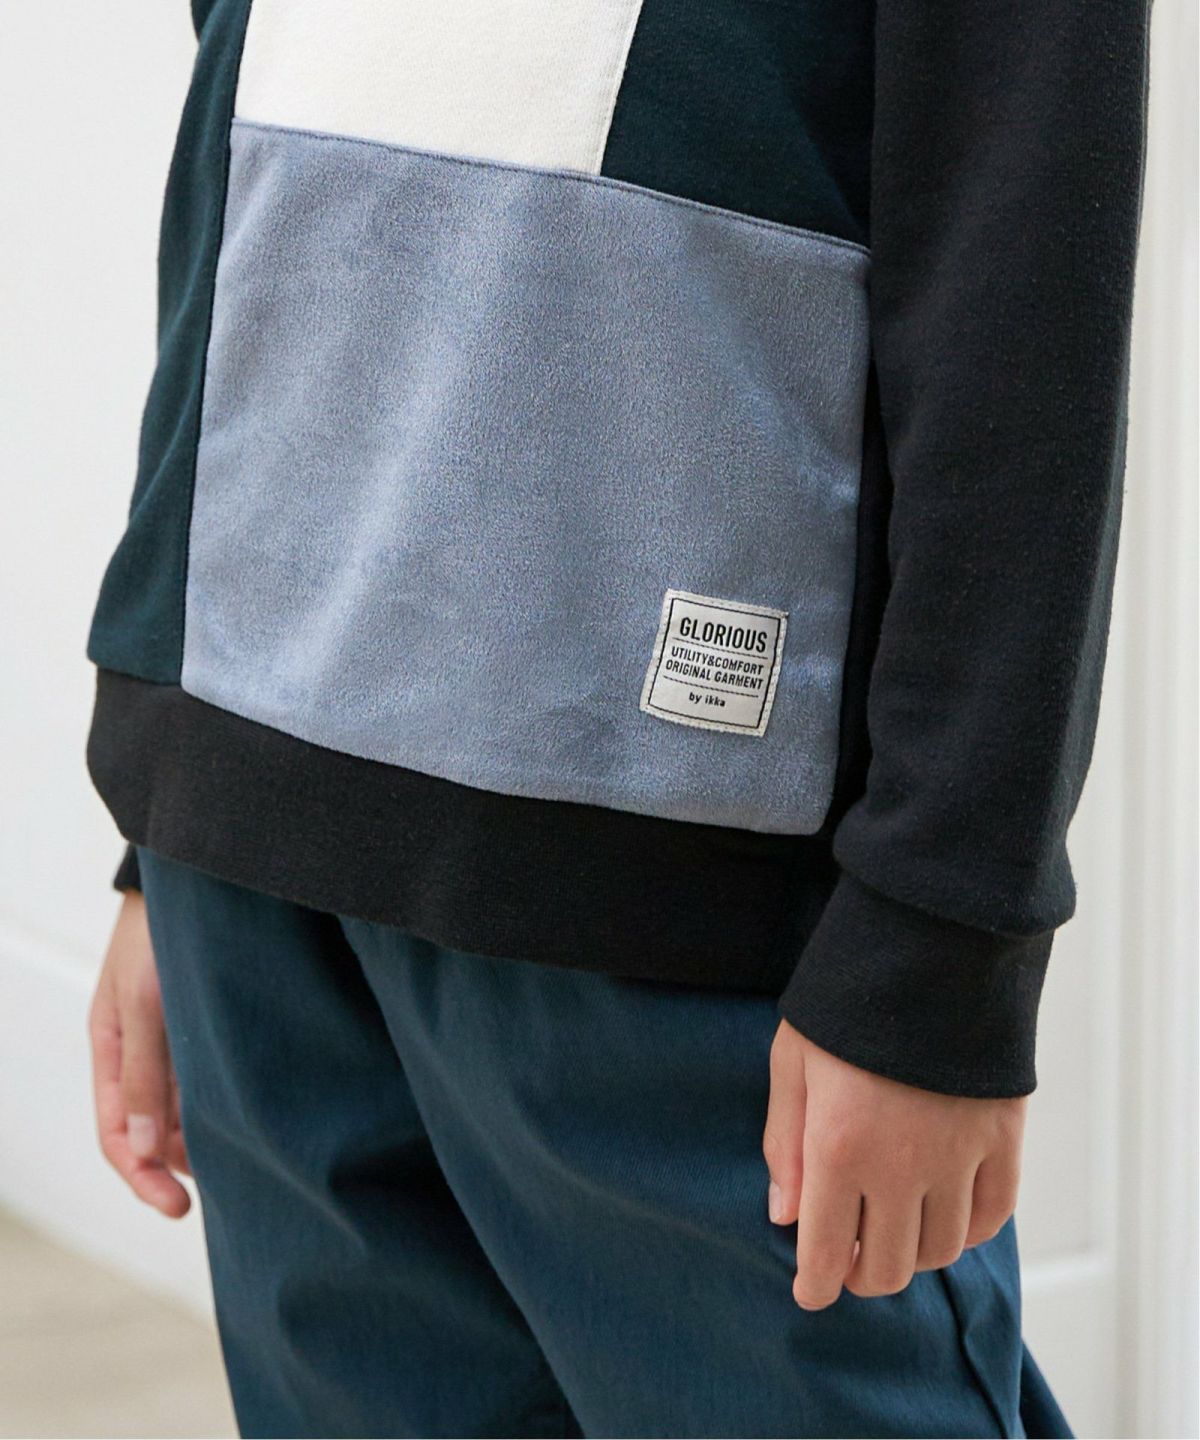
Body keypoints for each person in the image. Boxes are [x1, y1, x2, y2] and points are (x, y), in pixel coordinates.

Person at [85, 2, 1148, 1436]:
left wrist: (942, 941)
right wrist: (163, 809)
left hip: (681, 896)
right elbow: (253, 119)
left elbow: (1020, 291)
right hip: (253, 849)